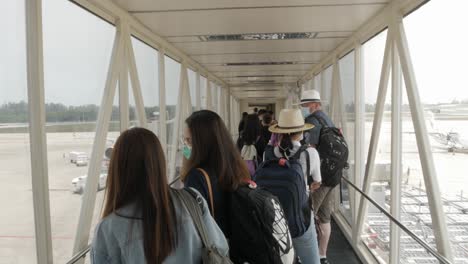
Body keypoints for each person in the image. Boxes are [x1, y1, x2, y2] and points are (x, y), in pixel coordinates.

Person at [91, 128, 229, 264]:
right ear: (160, 162)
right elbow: (221, 249)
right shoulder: (193, 199)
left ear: (118, 169)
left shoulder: (108, 230)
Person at [258, 109, 321, 264]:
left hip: (273, 217)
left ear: (279, 132)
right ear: (301, 131)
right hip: (300, 217)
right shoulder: (310, 153)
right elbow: (317, 182)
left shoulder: (269, 153)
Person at [181, 110, 251, 235]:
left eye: (189, 141)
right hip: (240, 242)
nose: (185, 146)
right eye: (184, 140)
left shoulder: (196, 177)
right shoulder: (234, 165)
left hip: (217, 248)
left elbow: (193, 227)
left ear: (202, 143)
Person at [299, 90, 336, 264]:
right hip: (332, 176)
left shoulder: (312, 121)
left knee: (307, 213)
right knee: (325, 216)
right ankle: (322, 255)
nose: (302, 109)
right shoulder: (328, 120)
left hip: (319, 178)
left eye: (304, 105)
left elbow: (310, 150)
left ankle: (309, 256)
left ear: (312, 104)